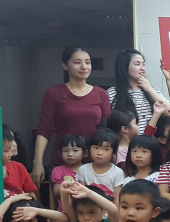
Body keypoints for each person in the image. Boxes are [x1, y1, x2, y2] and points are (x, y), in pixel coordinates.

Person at [32, 46, 111, 187]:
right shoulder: (54, 93)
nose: (84, 67)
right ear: (65, 66)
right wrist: (37, 162)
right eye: (77, 62)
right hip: (64, 163)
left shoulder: (101, 94)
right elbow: (44, 129)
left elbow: (106, 131)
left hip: (95, 163)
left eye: (88, 62)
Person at [108, 49, 169, 134]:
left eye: (143, 64)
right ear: (124, 67)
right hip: (126, 141)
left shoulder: (153, 90)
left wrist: (150, 90)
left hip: (151, 141)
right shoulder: (112, 93)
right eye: (137, 64)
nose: (142, 68)